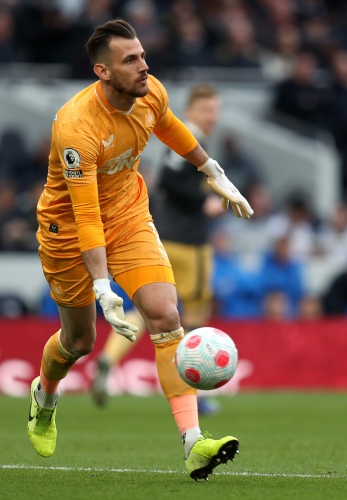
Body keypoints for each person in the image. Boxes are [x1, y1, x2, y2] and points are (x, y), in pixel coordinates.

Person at [27, 19, 252, 481]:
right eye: (130, 60)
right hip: (68, 231)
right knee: (79, 341)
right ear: (103, 71)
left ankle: (194, 444)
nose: (144, 66)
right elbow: (86, 216)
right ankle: (45, 396)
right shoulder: (76, 127)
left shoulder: (150, 92)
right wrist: (103, 286)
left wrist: (213, 171)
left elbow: (170, 127)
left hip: (129, 217)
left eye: (143, 55)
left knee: (166, 315)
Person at [90, 84, 226, 414]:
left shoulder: (181, 141)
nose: (212, 116)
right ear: (190, 112)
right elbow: (168, 179)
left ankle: (109, 358)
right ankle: (194, 392)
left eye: (214, 110)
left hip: (164, 238)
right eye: (206, 110)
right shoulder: (188, 140)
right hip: (190, 244)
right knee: (194, 315)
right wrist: (203, 201)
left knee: (150, 310)